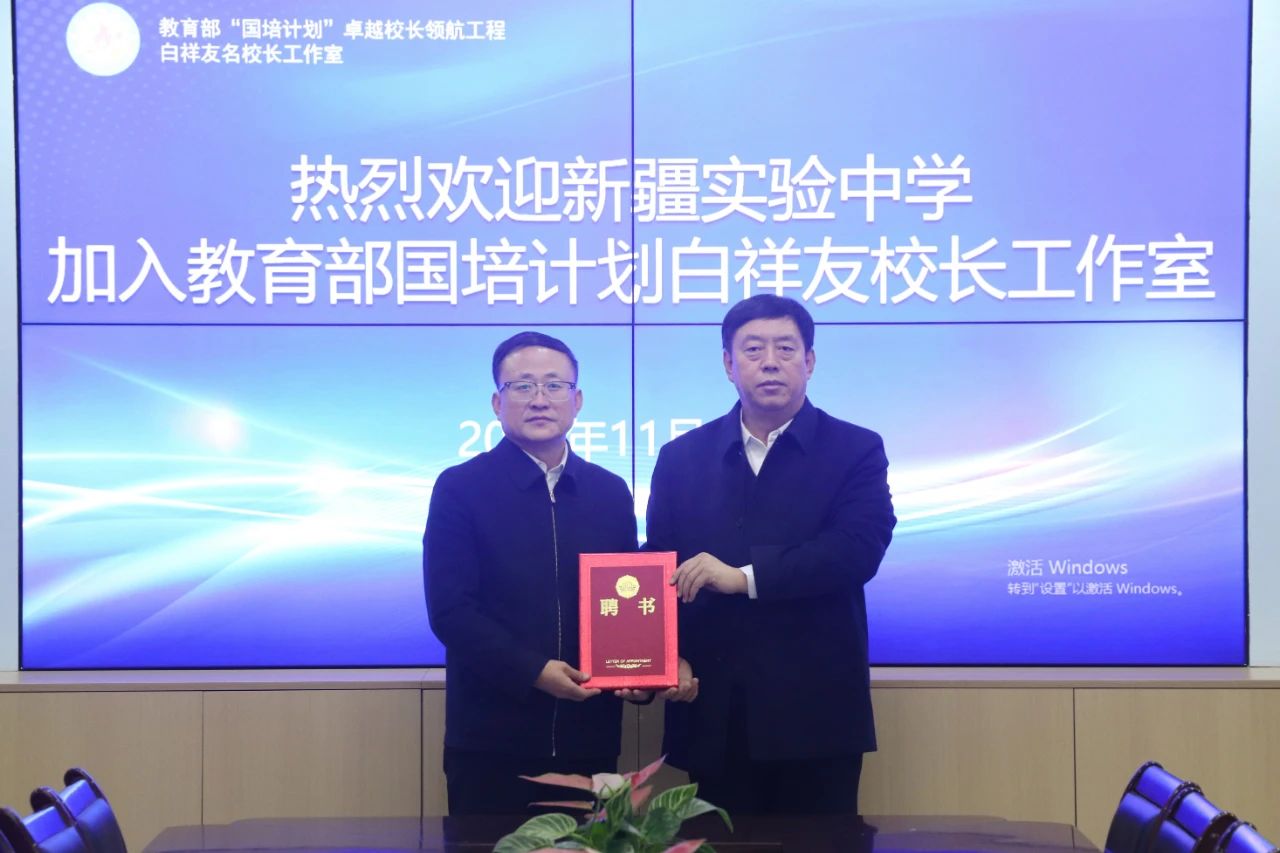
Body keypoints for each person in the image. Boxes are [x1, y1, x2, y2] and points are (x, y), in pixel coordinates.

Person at [644, 295, 896, 815]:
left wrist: (744, 577)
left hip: (815, 715)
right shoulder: (681, 458)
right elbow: (660, 567)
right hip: (713, 710)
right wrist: (664, 656)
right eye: (753, 349)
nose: (770, 362)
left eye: (786, 348)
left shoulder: (855, 449)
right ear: (728, 364)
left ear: (810, 361)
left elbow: (857, 549)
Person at [424, 331, 694, 815]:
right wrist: (534, 672)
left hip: (588, 734)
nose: (539, 399)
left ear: (577, 400)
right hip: (491, 737)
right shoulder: (461, 488)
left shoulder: (608, 492)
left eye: (554, 385)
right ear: (497, 403)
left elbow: (628, 600)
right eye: (522, 386)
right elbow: (451, 611)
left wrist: (639, 674)